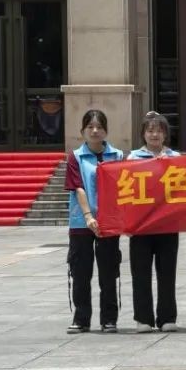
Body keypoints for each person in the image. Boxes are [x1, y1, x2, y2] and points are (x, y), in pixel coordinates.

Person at [65, 109, 124, 333]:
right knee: (81, 272)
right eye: (90, 127)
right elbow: (78, 187)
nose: (95, 131)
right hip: (82, 222)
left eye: (99, 127)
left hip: (109, 222)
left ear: (106, 131)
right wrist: (89, 216)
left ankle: (109, 319)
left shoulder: (117, 155)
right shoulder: (76, 157)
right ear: (83, 131)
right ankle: (81, 319)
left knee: (109, 271)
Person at [127, 112, 180, 333]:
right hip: (141, 225)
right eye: (150, 130)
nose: (154, 134)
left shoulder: (176, 157)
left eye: (159, 130)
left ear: (166, 134)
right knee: (140, 273)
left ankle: (167, 317)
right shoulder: (132, 158)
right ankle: (143, 318)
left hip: (168, 224)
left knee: (167, 272)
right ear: (143, 134)